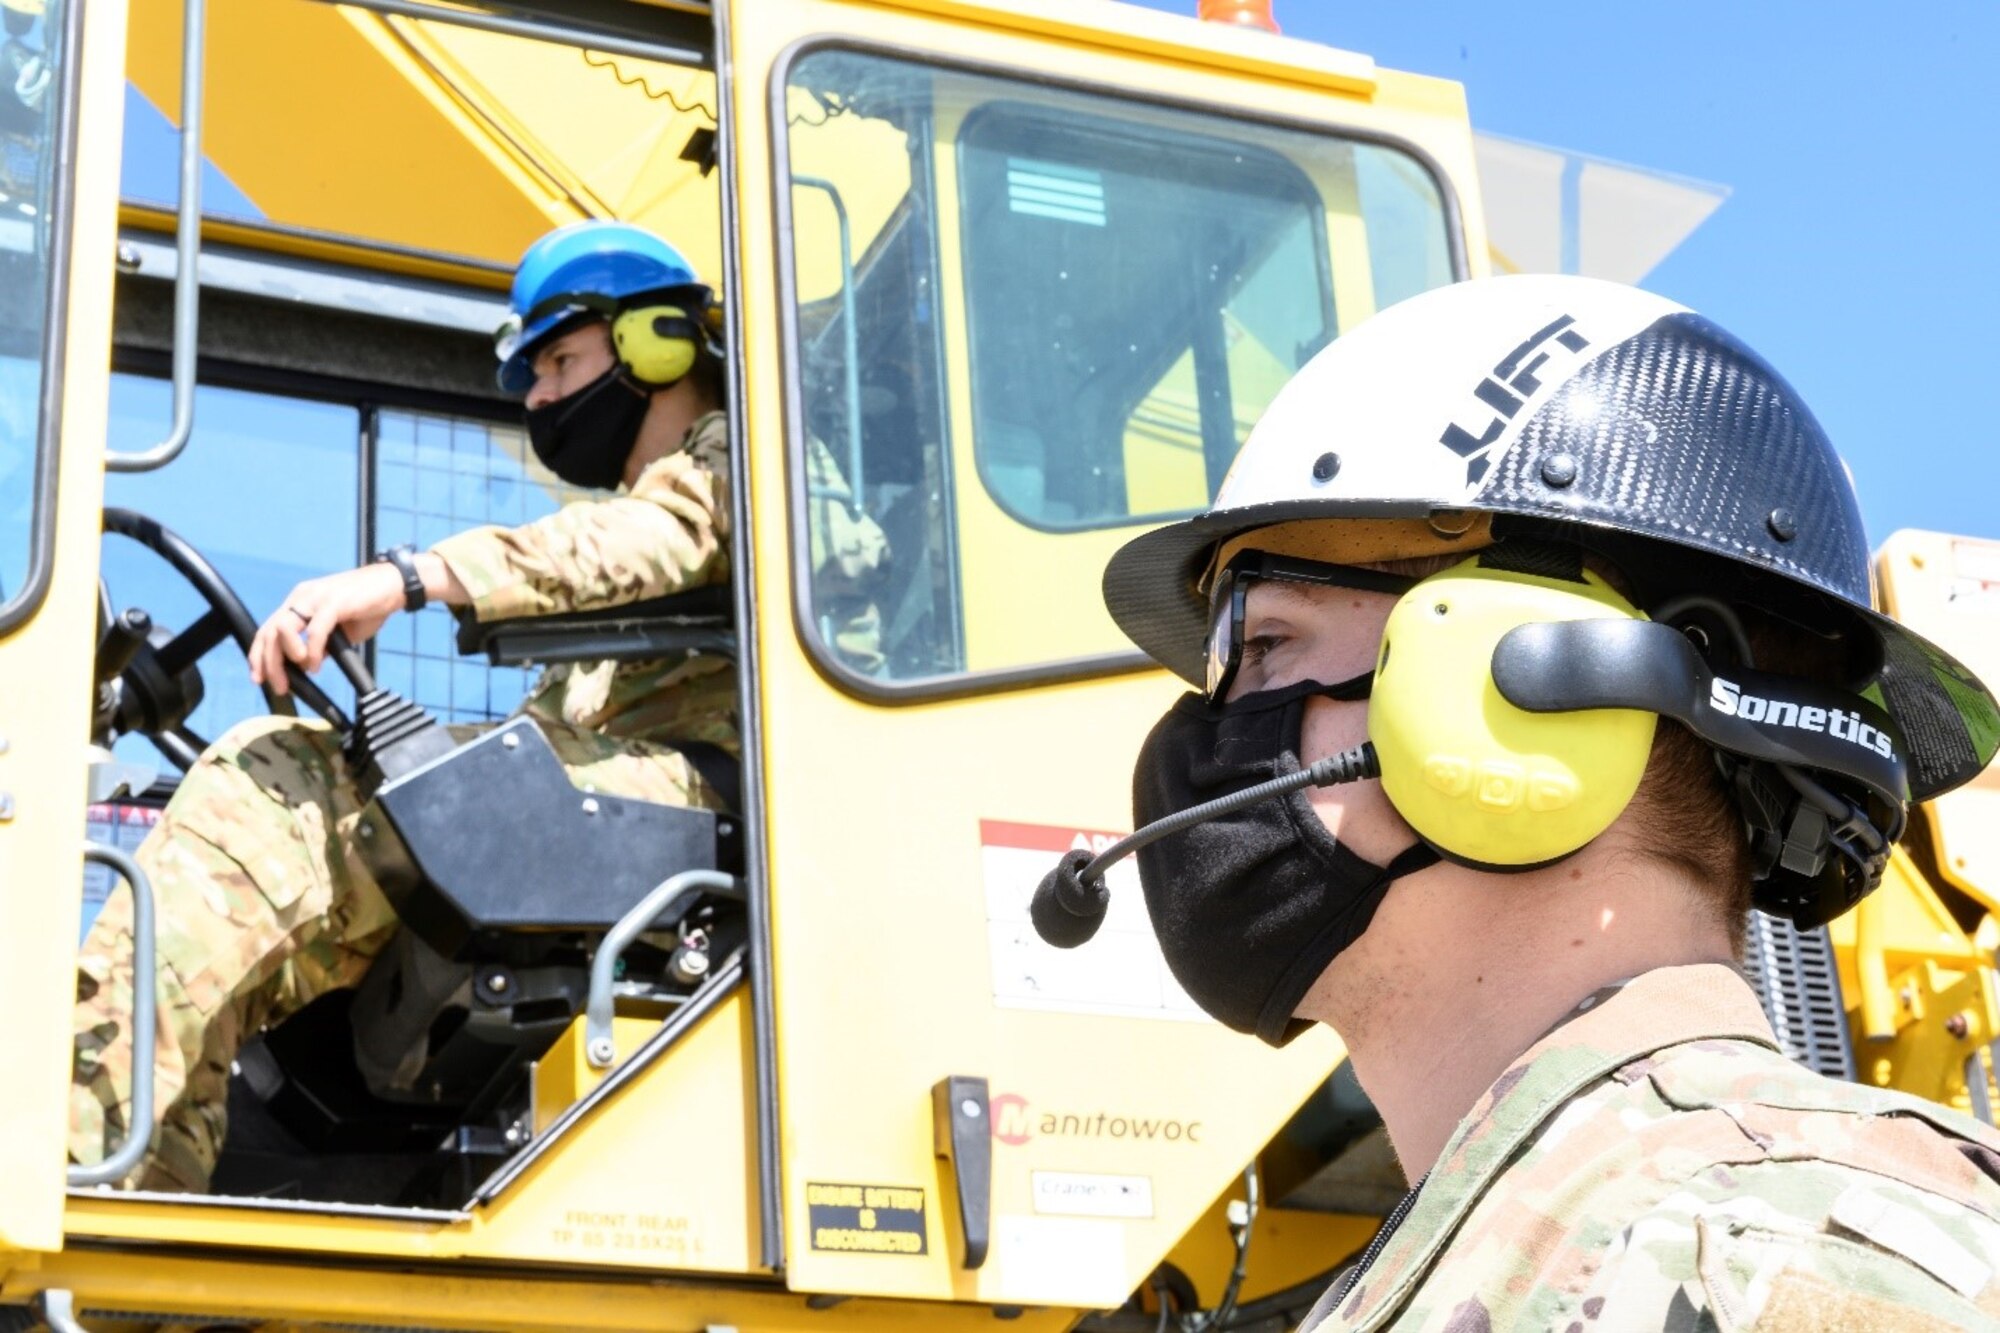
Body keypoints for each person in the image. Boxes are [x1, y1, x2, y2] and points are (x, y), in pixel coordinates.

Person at [1085, 274, 2000, 1328]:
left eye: (1263, 643)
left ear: (1545, 679)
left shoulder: (1773, 1254)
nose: (1207, 728)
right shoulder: (1551, 1249)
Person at [70, 219, 887, 1192]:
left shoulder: (753, 467)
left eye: (557, 360)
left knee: (272, 779)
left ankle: (73, 1164)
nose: (538, 397)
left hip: (714, 812)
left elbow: (639, 541)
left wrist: (414, 576)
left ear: (658, 342)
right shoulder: (637, 549)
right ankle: (135, 1204)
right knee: (238, 933)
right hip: (624, 808)